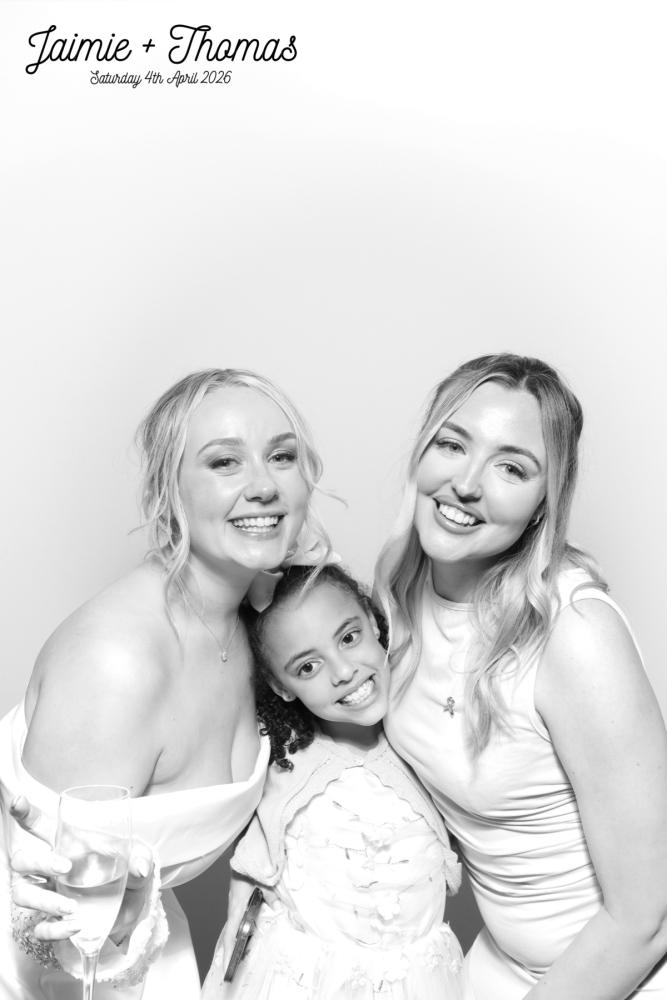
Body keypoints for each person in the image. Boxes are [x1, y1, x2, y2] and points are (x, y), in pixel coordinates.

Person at [0, 368, 329, 1000]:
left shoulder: (262, 617)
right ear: (167, 491)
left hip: (152, 951)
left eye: (282, 456)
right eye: (224, 462)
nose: (264, 485)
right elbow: (49, 928)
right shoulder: (117, 662)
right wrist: (120, 928)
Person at [378, 353, 667, 999]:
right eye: (452, 445)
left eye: (511, 467)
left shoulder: (575, 633)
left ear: (543, 502)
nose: (466, 483)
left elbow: (644, 920)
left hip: (622, 977)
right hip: (499, 967)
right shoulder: (402, 594)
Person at [201, 563, 464, 1000]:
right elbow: (251, 861)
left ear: (373, 622)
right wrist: (235, 931)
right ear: (280, 686)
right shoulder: (280, 758)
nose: (342, 671)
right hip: (298, 982)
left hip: (415, 981)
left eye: (348, 637)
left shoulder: (428, 735)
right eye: (308, 667)